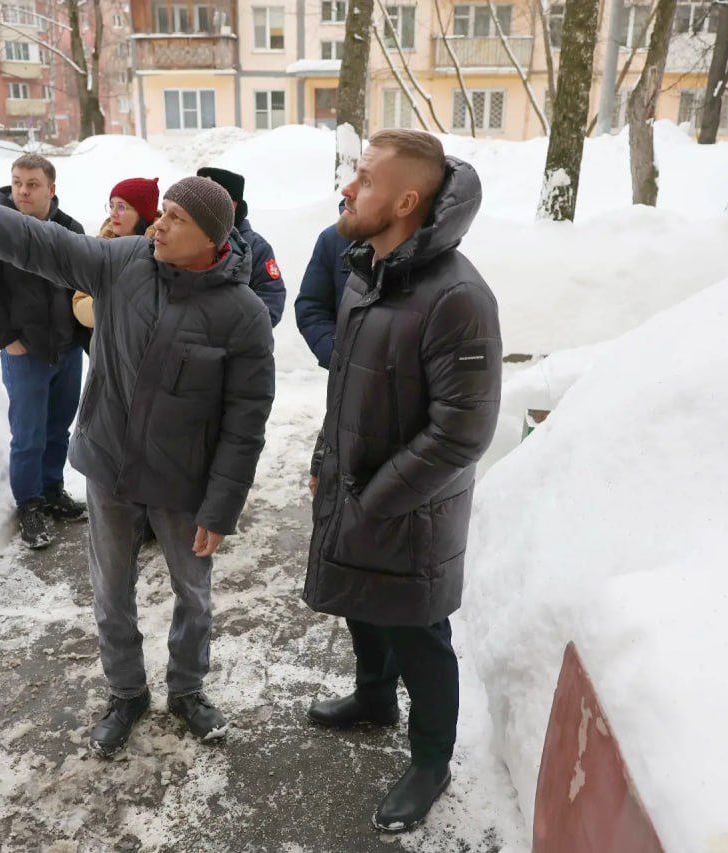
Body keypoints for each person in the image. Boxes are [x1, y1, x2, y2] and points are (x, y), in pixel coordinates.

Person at [0, 149, 276, 756]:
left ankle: (188, 689)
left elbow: (245, 420)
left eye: (174, 218)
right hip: (112, 465)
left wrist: (221, 507)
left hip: (185, 480)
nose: (157, 225)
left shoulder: (242, 313)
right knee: (111, 589)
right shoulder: (124, 264)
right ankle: (126, 693)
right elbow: (26, 239)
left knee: (193, 593)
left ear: (210, 239)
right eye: (162, 212)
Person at [303, 130, 502, 833]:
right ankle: (373, 697)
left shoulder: (458, 298)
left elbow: (461, 433)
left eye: (362, 177)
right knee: (363, 602)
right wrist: (329, 463)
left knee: (420, 634)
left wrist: (375, 500)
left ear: (406, 200)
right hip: (356, 490)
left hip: (409, 513)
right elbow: (347, 391)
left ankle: (430, 760)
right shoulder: (367, 272)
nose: (348, 188)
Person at [0, 154, 88, 550]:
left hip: (65, 351)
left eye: (32, 184)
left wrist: (84, 340)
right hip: (25, 352)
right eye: (17, 183)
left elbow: (83, 286)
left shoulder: (70, 229)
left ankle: (52, 489)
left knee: (58, 427)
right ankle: (29, 504)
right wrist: (6, 339)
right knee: (28, 434)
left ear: (51, 188)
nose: (23, 191)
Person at [72, 177, 161, 340]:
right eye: (111, 205)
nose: (113, 213)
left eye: (122, 207)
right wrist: (112, 302)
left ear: (141, 213)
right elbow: (79, 303)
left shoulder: (161, 248)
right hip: (106, 350)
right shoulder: (100, 246)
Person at [196, 167, 285, 327]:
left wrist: (234, 333)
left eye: (210, 199)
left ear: (233, 204)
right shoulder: (182, 237)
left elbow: (271, 300)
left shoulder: (257, 247)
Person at [293, 203, 353, 369]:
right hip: (347, 382)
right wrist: (336, 356)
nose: (347, 191)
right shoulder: (333, 239)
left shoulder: (425, 239)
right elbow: (311, 307)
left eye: (366, 181)